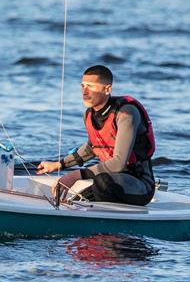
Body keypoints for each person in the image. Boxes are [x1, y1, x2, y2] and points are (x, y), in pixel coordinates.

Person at [36, 65, 156, 205]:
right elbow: (92, 147)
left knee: (102, 182)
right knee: (74, 202)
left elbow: (119, 163)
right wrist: (59, 164)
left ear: (107, 89)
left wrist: (75, 175)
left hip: (139, 185)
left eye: (91, 86)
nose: (85, 92)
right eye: (82, 86)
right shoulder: (89, 114)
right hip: (112, 181)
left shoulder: (126, 113)